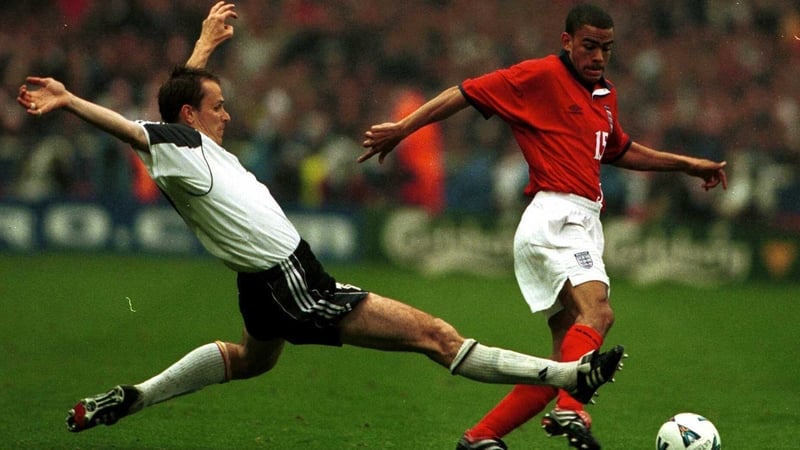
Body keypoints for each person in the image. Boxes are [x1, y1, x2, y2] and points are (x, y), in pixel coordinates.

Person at [16, 2, 625, 437]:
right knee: (436, 337)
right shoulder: (176, 149)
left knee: (252, 360)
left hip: (262, 284)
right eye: (218, 107)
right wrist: (70, 101)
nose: (227, 115)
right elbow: (135, 127)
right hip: (293, 281)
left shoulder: (192, 143)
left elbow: (179, 95)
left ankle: (135, 396)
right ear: (190, 116)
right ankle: (573, 372)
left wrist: (204, 43)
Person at [360, 3, 727, 450]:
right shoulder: (538, 76)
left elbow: (618, 149)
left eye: (606, 49)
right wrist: (403, 128)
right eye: (589, 46)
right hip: (557, 214)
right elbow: (465, 91)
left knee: (559, 363)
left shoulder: (605, 96)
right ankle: (573, 411)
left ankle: (480, 438)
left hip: (579, 221)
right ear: (566, 41)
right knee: (600, 312)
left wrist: (686, 165)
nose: (597, 57)